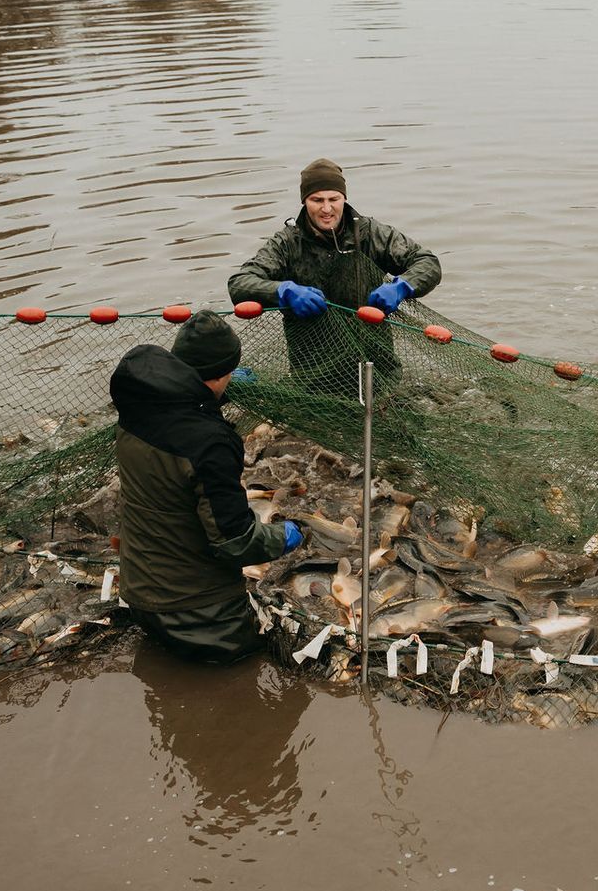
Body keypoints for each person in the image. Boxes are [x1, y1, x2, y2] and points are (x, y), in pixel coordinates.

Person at [110, 310, 303, 663]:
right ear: (220, 375)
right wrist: (285, 536)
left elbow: (176, 419)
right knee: (251, 681)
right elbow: (236, 543)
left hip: (138, 596)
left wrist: (215, 396)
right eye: (229, 374)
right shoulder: (210, 444)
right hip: (200, 617)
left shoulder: (136, 403)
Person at [228, 158, 443, 396]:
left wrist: (401, 287)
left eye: (334, 199)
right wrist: (283, 291)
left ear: (344, 199)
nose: (327, 209)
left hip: (376, 367)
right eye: (317, 200)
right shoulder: (286, 244)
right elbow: (240, 283)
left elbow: (427, 262)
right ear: (304, 201)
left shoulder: (371, 234)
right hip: (312, 374)